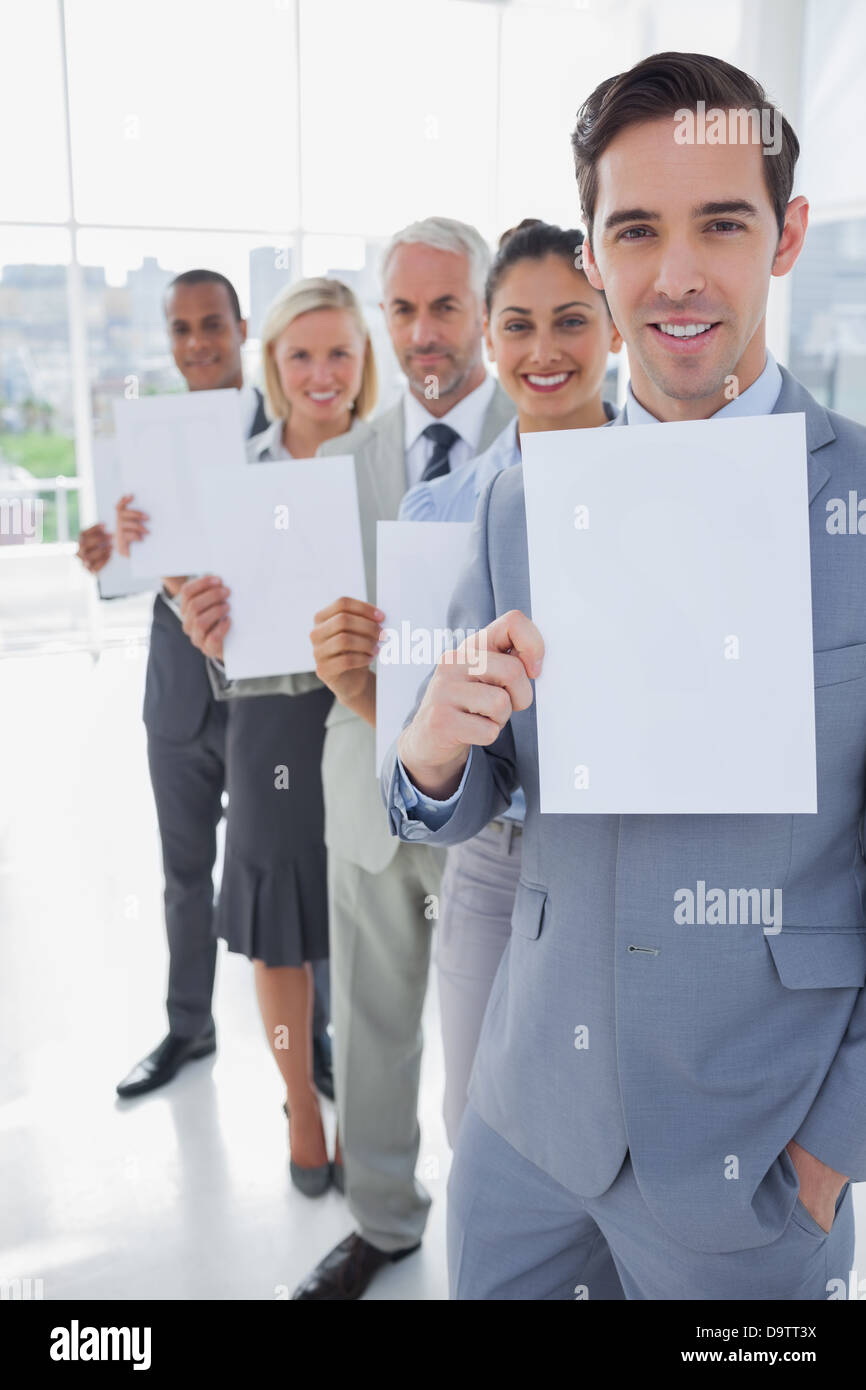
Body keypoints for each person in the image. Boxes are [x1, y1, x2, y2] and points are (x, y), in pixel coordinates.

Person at [384, 51, 864, 1300]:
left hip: (752, 1159)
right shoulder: (516, 504)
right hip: (524, 1123)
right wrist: (434, 750)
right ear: (593, 257)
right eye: (636, 230)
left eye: (721, 223)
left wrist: (830, 1151)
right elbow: (467, 792)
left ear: (786, 235)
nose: (678, 273)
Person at [180, 218, 515, 1297]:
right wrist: (225, 637)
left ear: (480, 306)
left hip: (510, 806)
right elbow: (285, 659)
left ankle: (515, 1224)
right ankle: (380, 1216)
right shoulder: (339, 462)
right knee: (373, 1019)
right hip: (369, 785)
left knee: (503, 1039)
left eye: (445, 306)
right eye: (403, 310)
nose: (423, 333)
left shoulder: (549, 426)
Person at [76, 269, 333, 1101]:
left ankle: (315, 1042)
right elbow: (126, 572)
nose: (197, 345)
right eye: (180, 329)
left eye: (211, 325)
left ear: (241, 325)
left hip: (271, 699)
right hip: (181, 696)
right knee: (184, 872)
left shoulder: (289, 424)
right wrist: (114, 549)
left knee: (297, 871)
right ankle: (189, 1026)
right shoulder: (144, 438)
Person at [399, 219, 621, 1144]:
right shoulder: (439, 507)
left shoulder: (673, 487)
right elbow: (418, 748)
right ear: (488, 337)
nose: (544, 351)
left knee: (611, 1117)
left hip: (625, 844)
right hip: (493, 857)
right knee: (477, 1120)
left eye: (572, 321)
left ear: (612, 326)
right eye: (518, 324)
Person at [219, 277, 376, 1194]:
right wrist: (202, 619)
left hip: (360, 711)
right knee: (281, 921)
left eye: (339, 353)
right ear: (274, 368)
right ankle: (302, 1106)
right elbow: (215, 623)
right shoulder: (241, 477)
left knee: (363, 924)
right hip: (270, 715)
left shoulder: (387, 463)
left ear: (365, 365)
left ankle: (363, 1104)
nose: (321, 374)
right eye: (300, 355)